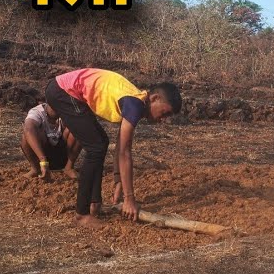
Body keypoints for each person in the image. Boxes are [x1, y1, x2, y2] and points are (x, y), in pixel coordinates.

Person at [44, 68, 181, 227]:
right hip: (63, 91)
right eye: (165, 113)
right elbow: (124, 152)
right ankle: (81, 215)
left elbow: (121, 146)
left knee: (101, 143)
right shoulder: (134, 104)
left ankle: (94, 203)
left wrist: (118, 180)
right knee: (95, 147)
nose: (163, 120)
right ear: (155, 98)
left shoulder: (135, 101)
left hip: (67, 91)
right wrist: (129, 199)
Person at [21, 101, 79, 180]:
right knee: (26, 136)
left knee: (78, 128)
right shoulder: (36, 112)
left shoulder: (66, 110)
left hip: (63, 153)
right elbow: (28, 128)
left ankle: (69, 167)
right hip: (43, 156)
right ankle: (36, 169)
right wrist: (43, 161)